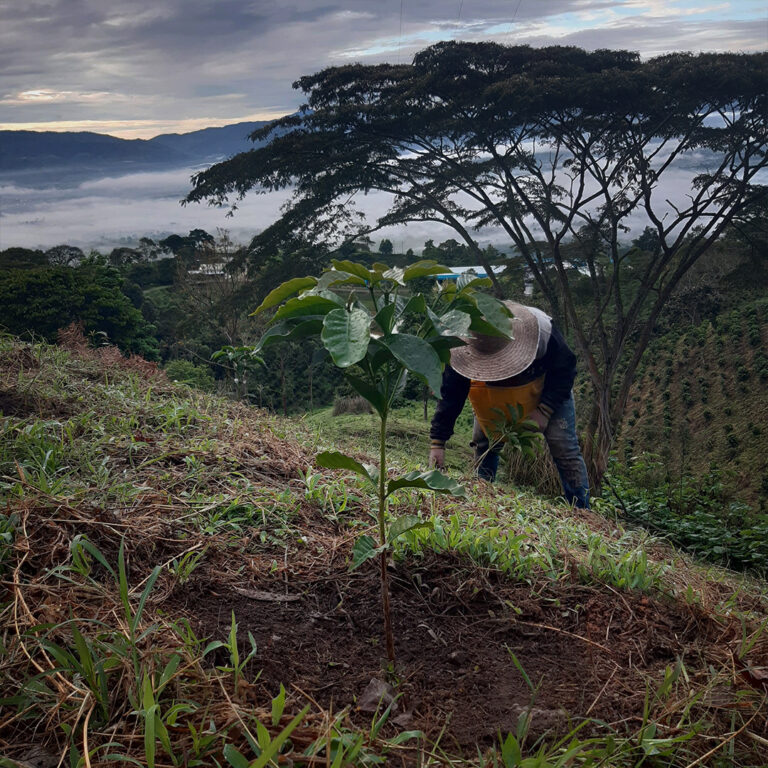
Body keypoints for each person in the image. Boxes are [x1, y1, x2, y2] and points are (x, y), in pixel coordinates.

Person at [429, 301, 590, 509]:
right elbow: (451, 393)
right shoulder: (461, 346)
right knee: (485, 442)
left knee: (565, 448)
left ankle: (581, 509)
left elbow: (565, 370)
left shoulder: (542, 333)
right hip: (490, 394)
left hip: (544, 387)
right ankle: (482, 494)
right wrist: (437, 443)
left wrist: (545, 410)